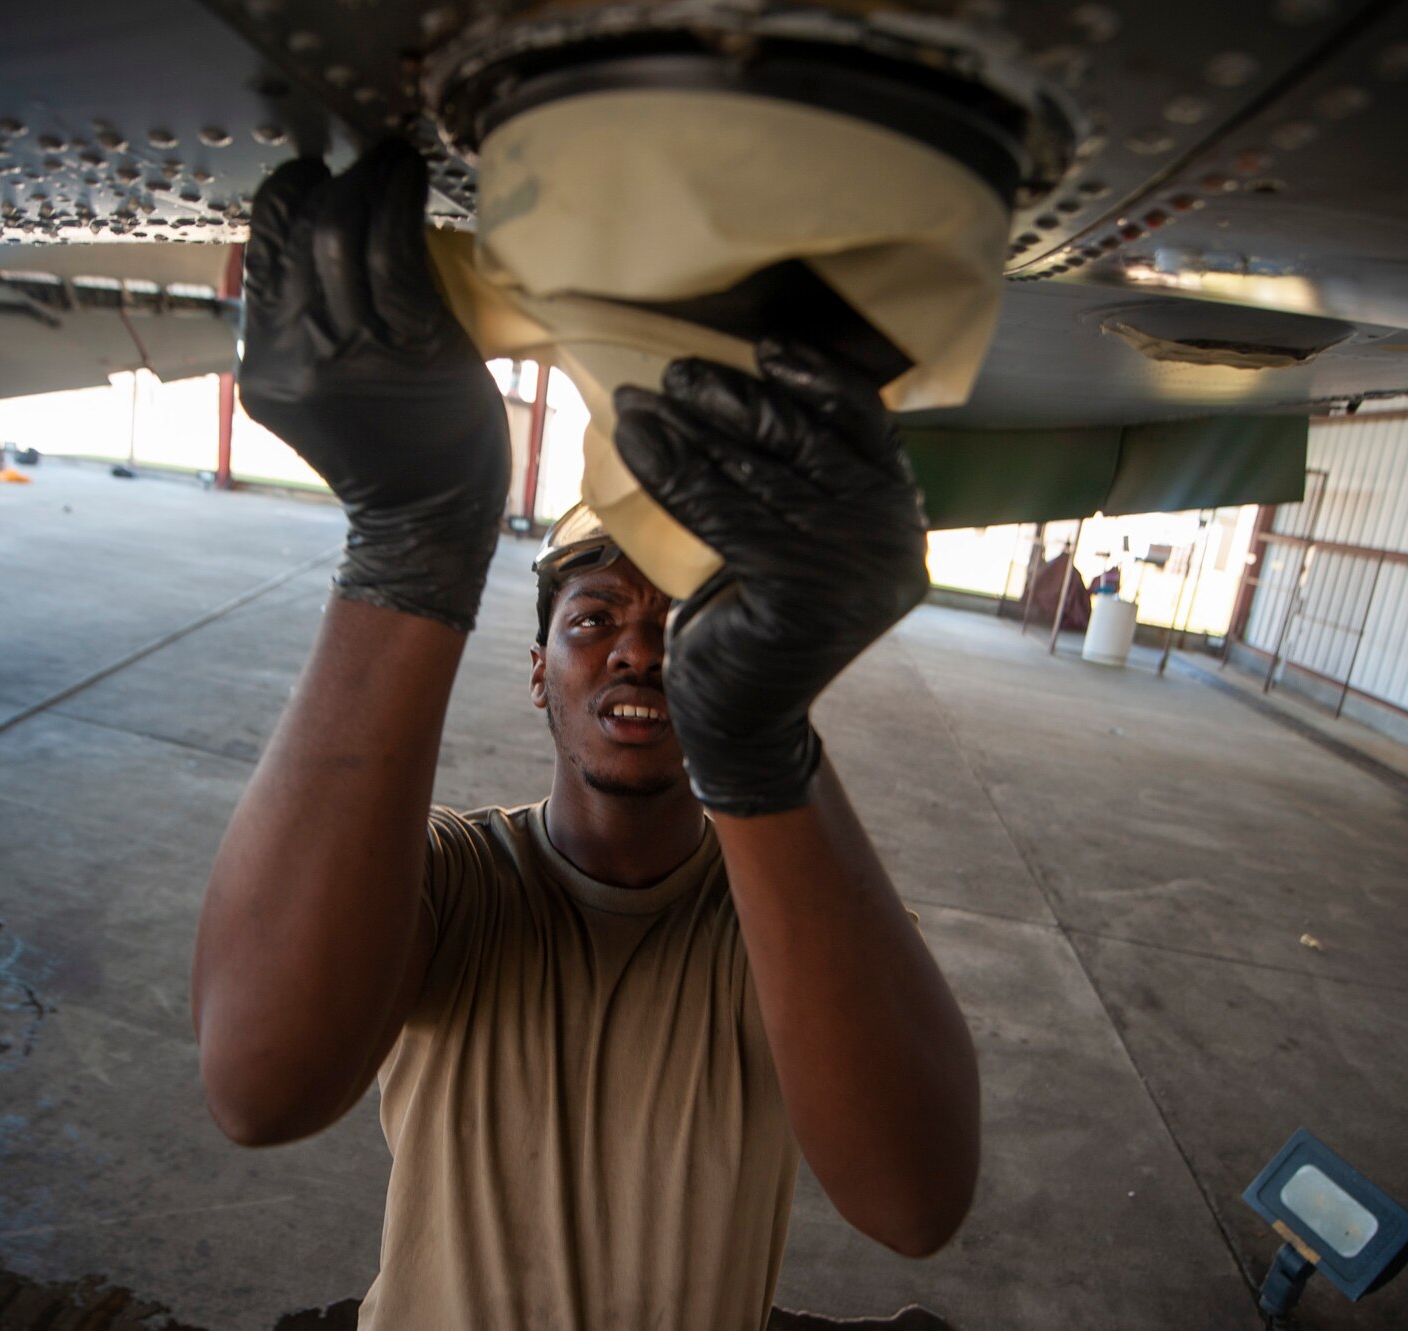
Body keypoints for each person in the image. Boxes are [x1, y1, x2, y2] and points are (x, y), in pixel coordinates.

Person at [190, 141, 981, 1330]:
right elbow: (258, 1084)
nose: (634, 648)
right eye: (592, 618)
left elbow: (913, 1202)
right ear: (536, 675)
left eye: (677, 623)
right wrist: (409, 543)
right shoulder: (450, 879)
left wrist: (755, 741)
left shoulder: (785, 924)